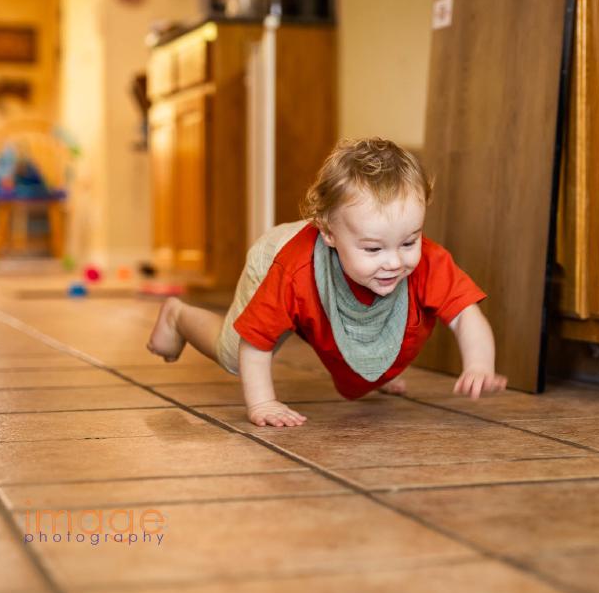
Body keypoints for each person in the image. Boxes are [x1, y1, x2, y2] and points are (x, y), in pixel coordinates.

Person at [147, 138, 506, 427]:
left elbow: (465, 315)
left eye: (409, 241)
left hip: (321, 271)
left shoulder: (425, 261)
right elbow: (255, 344)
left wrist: (479, 364)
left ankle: (375, 371)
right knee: (234, 354)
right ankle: (177, 315)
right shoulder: (292, 270)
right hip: (276, 258)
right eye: (373, 248)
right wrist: (263, 402)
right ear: (329, 233)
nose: (395, 261)